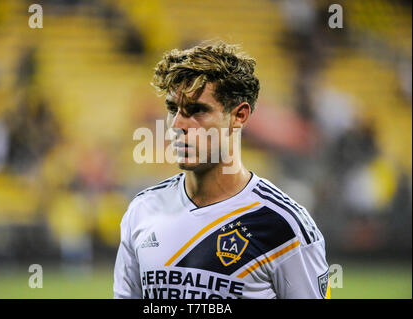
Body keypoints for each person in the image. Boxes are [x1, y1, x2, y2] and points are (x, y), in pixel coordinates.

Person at [113, 41, 329, 299]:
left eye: (198, 110)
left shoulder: (284, 226)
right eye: (173, 109)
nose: (178, 124)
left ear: (239, 116)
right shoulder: (142, 211)